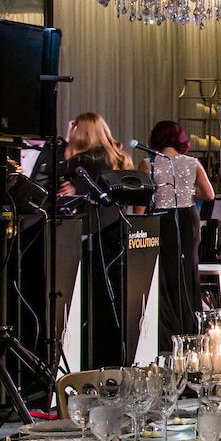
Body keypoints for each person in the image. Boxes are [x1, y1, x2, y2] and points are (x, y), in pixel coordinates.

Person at [58, 112, 144, 369]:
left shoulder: (81, 161)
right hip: (117, 233)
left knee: (92, 297)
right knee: (115, 295)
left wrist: (66, 139)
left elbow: (57, 168)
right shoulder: (120, 157)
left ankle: (91, 356)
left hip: (92, 235)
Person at [145, 119, 213, 344]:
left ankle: (167, 327)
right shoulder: (192, 163)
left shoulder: (149, 163)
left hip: (161, 219)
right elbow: (209, 194)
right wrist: (188, 192)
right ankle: (189, 323)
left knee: (164, 269)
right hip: (187, 219)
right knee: (187, 267)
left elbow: (141, 203)